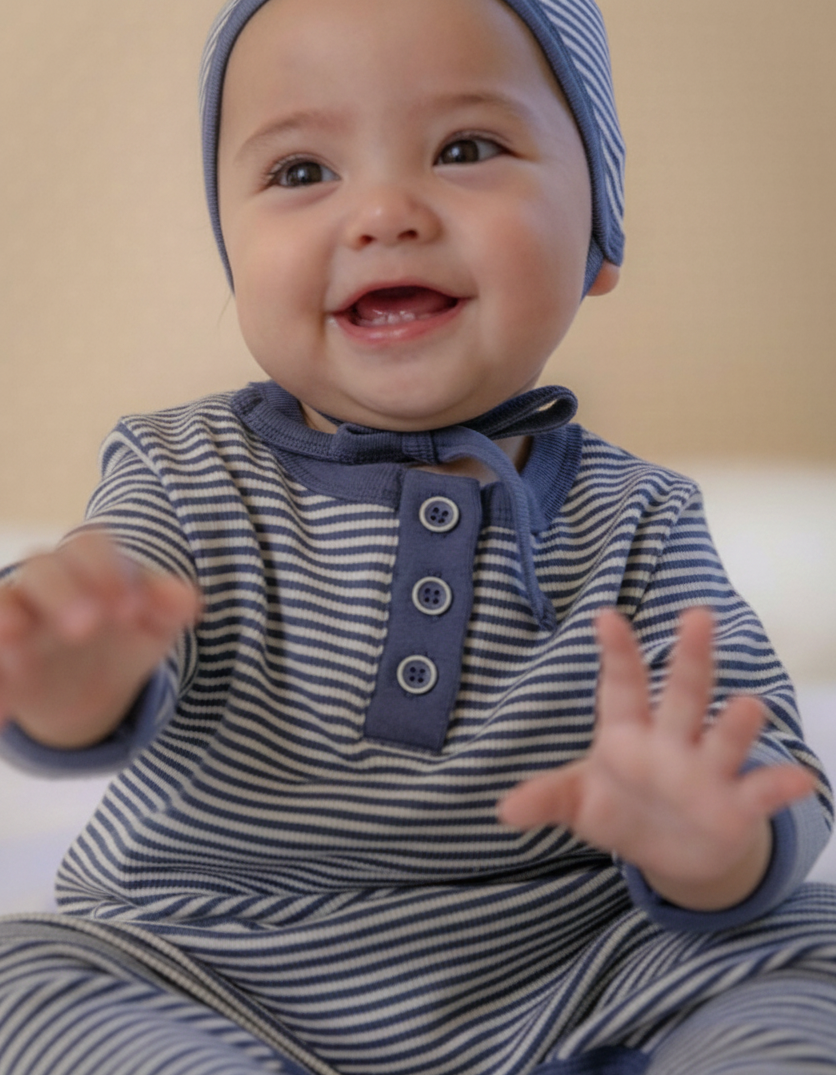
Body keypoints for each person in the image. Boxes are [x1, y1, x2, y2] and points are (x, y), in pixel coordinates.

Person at [0, 0, 834, 1072]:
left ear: (598, 232)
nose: (384, 212)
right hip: (214, 970)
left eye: (466, 149)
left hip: (572, 979)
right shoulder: (182, 471)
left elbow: (762, 759)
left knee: (807, 949)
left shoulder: (637, 517)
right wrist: (66, 675)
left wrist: (710, 841)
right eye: (302, 171)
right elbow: (105, 604)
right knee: (26, 978)